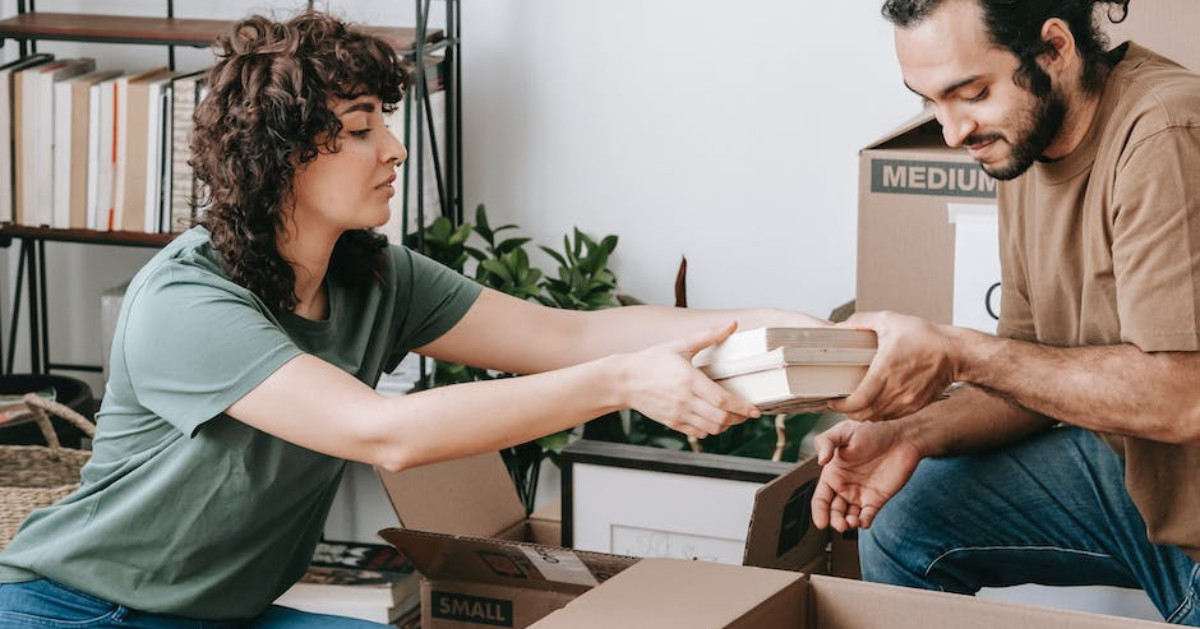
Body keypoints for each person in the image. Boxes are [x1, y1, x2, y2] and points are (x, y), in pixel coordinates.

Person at [0, 11, 825, 628]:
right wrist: (621, 383)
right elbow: (381, 432)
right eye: (361, 128)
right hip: (80, 607)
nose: (393, 148)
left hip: (222, 614)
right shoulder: (188, 301)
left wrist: (773, 322)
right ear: (279, 154)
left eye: (385, 122)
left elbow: (560, 334)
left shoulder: (372, 275)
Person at [809, 0, 1200, 624]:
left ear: (1055, 49)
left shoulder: (1164, 132)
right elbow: (1025, 373)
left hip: (1188, 487)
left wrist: (958, 351)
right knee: (905, 521)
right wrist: (906, 433)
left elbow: (1184, 399)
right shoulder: (1024, 144)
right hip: (1138, 471)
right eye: (930, 101)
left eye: (971, 93)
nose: (952, 131)